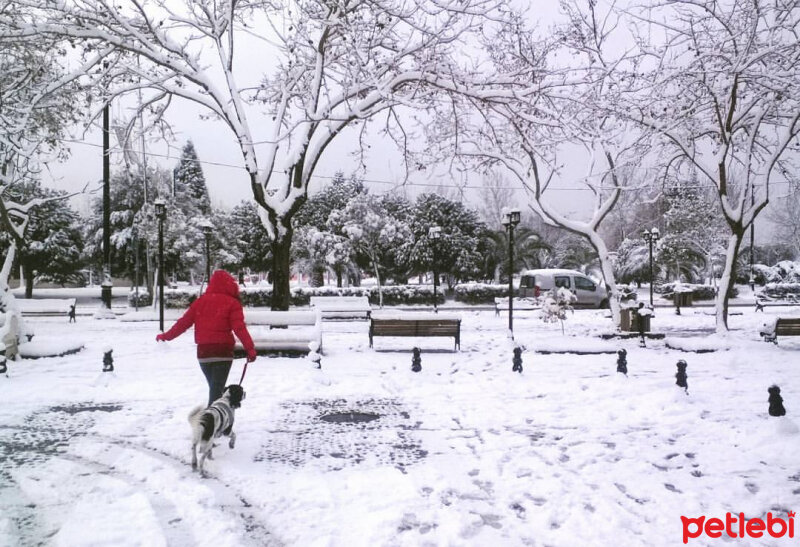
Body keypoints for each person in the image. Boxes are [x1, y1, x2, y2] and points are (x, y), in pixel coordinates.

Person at [156, 270, 257, 406]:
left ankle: (219, 424)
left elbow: (183, 323)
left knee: (216, 390)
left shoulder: (200, 302)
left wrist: (166, 336)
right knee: (216, 394)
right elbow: (240, 329)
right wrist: (250, 349)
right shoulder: (232, 303)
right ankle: (210, 424)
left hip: (204, 353)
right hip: (223, 352)